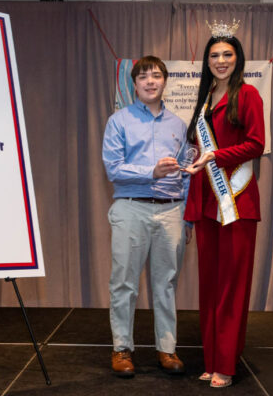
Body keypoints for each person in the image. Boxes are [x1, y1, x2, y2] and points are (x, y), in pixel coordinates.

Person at [182, 21, 265, 388]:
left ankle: (226, 365)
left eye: (226, 54)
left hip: (237, 201)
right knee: (210, 287)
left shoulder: (248, 95)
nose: (220, 61)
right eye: (214, 55)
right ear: (206, 60)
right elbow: (202, 150)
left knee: (232, 287)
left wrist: (214, 157)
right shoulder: (204, 100)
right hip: (206, 204)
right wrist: (190, 160)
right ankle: (212, 358)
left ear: (237, 58)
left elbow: (255, 144)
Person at [102, 55, 194, 378]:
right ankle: (121, 349)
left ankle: (166, 349)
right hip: (130, 207)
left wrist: (186, 215)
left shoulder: (178, 125)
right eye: (143, 77)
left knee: (166, 283)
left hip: (171, 211)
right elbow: (113, 169)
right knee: (124, 283)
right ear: (135, 84)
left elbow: (187, 172)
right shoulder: (119, 121)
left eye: (156, 75)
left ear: (165, 81)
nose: (150, 81)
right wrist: (151, 171)